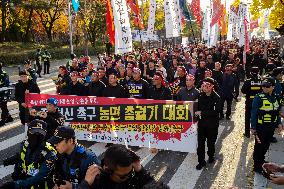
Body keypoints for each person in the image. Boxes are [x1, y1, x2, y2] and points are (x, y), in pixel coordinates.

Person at [0, 119, 57, 189]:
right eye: (33, 133)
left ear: (44, 136)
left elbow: (41, 176)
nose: (36, 136)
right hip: (24, 182)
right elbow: (21, 156)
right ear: (28, 133)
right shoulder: (25, 144)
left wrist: (17, 184)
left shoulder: (49, 153)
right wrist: (5, 162)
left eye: (40, 134)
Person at [78, 145, 155, 189]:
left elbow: (155, 186)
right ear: (108, 171)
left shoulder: (134, 176)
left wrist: (140, 170)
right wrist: (85, 185)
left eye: (131, 172)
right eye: (123, 176)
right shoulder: (96, 183)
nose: (128, 177)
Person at [250, 77, 282, 173]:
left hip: (271, 126)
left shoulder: (276, 98)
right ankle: (257, 166)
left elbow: (277, 111)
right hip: (261, 126)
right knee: (259, 146)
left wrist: (279, 123)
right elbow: (254, 113)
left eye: (267, 86)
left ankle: (261, 160)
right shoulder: (258, 97)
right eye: (263, 85)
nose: (264, 87)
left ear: (272, 87)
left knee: (266, 144)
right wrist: (253, 127)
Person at [195, 77, 221, 170]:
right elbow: (196, 107)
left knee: (211, 144)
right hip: (202, 125)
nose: (204, 87)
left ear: (211, 87)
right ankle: (201, 161)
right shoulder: (200, 95)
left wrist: (202, 113)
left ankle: (211, 156)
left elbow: (216, 111)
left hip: (212, 125)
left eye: (207, 86)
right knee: (200, 144)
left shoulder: (216, 97)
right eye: (204, 85)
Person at [241, 67, 262, 138]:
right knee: (258, 116)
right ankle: (257, 131)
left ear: (250, 72)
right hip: (259, 102)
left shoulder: (248, 81)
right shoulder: (261, 81)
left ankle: (247, 133)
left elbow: (243, 91)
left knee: (248, 117)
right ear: (258, 72)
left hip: (249, 102)